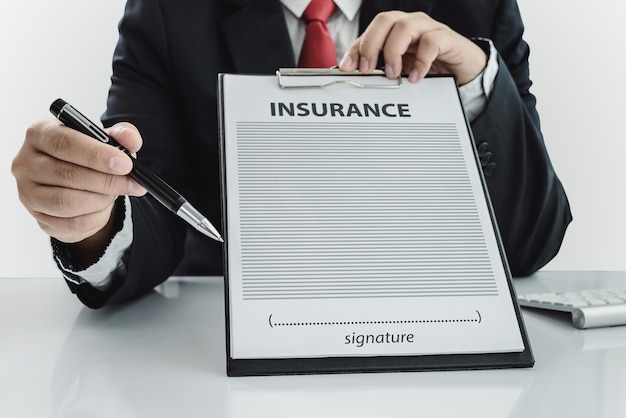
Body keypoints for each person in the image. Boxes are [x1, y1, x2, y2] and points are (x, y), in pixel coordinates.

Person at [11, 0, 572, 308]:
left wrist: (474, 89)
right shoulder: (167, 13)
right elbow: (148, 206)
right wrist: (89, 222)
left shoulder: (475, 6)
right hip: (227, 340)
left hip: (433, 331)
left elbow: (530, 244)